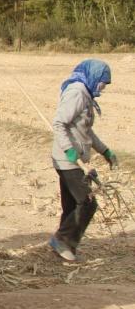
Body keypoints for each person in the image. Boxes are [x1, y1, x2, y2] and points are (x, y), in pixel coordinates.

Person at [49, 59, 117, 262]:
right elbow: (59, 123)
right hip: (67, 160)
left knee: (72, 205)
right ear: (93, 76)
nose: (103, 87)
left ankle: (62, 244)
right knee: (88, 202)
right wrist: (69, 150)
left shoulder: (86, 95)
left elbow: (86, 130)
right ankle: (63, 240)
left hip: (73, 159)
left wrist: (104, 151)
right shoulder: (77, 93)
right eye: (103, 82)